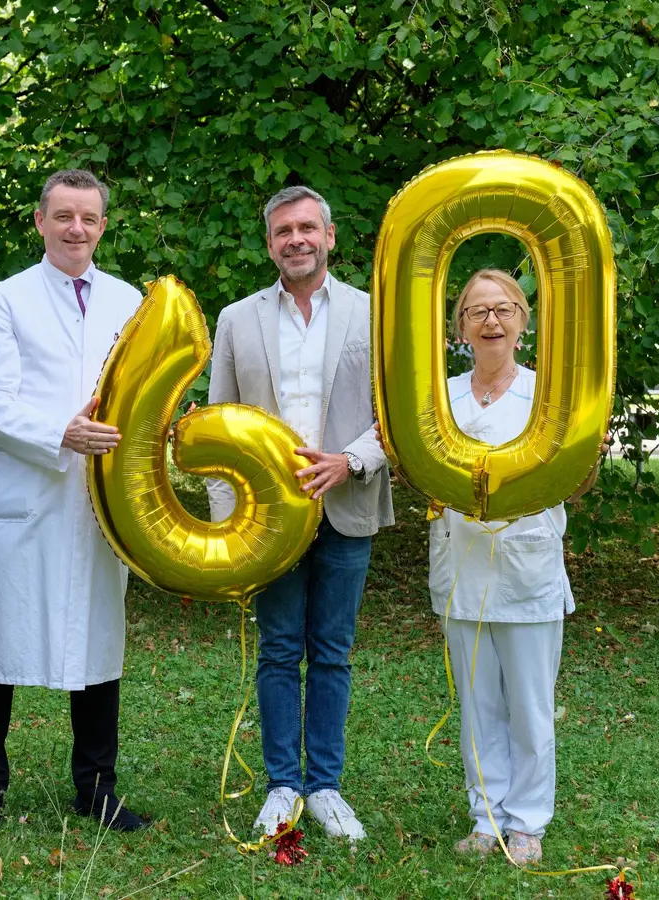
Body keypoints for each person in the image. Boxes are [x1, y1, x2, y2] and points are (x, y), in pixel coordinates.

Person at [0, 169, 147, 839]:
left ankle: (96, 788)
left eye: (88, 218)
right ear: (39, 222)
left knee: (99, 645)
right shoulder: (7, 299)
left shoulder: (130, 302)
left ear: (102, 226)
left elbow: (143, 397)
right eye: (63, 216)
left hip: (101, 501)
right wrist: (59, 432)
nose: (76, 228)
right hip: (30, 494)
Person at [206, 185, 393, 842]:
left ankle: (326, 788)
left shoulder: (376, 315)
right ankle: (283, 784)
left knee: (334, 652)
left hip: (346, 502)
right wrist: (231, 526)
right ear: (269, 244)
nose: (296, 239)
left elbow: (396, 418)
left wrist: (350, 461)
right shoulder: (235, 320)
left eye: (307, 228)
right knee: (280, 651)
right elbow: (218, 430)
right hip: (267, 522)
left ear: (330, 236)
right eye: (283, 231)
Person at [429, 268, 603, 867]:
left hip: (528, 568)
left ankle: (527, 822)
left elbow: (577, 485)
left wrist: (586, 457)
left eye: (503, 309)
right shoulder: (439, 398)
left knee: (529, 705)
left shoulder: (551, 396)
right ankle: (486, 818)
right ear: (460, 327)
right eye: (477, 311)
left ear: (523, 322)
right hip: (461, 567)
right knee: (478, 705)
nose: (491, 321)